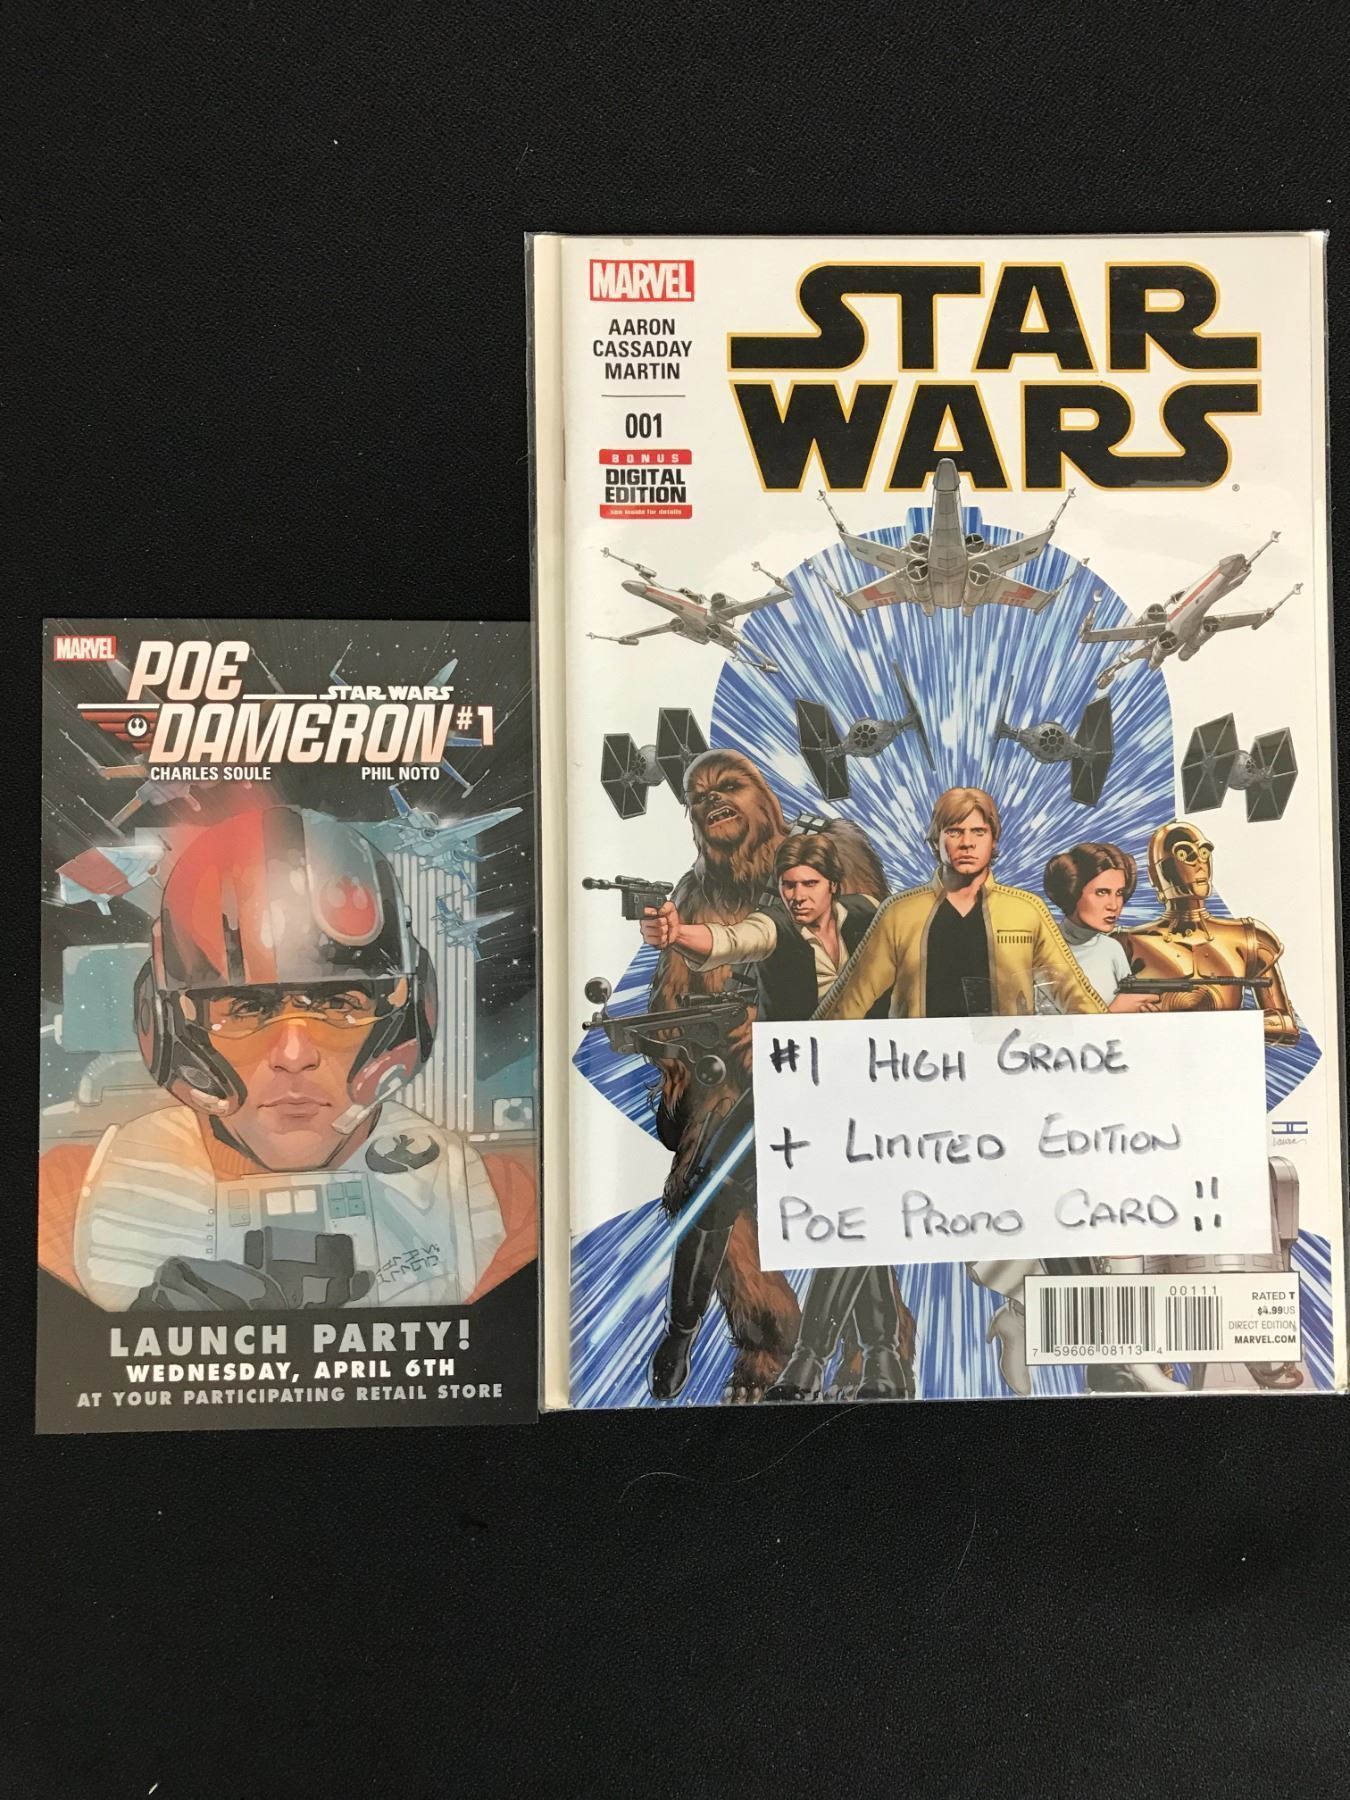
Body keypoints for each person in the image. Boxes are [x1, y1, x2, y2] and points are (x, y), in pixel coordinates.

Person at [58, 806, 524, 1312]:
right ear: (165, 1022)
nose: (294, 1056)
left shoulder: (503, 1202)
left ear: (407, 1015)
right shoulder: (62, 1196)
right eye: (245, 1009)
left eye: (338, 1004)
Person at [765, 787, 1106, 1401]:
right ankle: (807, 1362)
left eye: (977, 832)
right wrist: (799, 1069)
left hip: (1007, 1096)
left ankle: (1110, 1348)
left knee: (1052, 1213)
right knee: (863, 1219)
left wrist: (1135, 1055)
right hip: (916, 1099)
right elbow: (847, 1002)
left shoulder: (1027, 913)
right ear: (937, 839)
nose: (965, 843)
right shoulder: (902, 914)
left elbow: (1081, 1001)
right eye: (954, 832)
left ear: (994, 840)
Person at [641, 833, 915, 1402]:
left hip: (862, 1087)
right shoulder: (775, 927)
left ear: (833, 885)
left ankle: (880, 1351)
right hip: (787, 1084)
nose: (797, 896)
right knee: (709, 1187)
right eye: (788, 886)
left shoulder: (870, 915)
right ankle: (681, 1332)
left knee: (857, 1205)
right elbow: (731, 940)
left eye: (808, 884)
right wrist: (677, 934)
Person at [1041, 841, 1158, 1012]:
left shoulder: (1112, 948)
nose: (1114, 905)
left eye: (1119, 893)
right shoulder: (1042, 950)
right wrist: (1112, 1012)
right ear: (1072, 891)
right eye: (1102, 892)